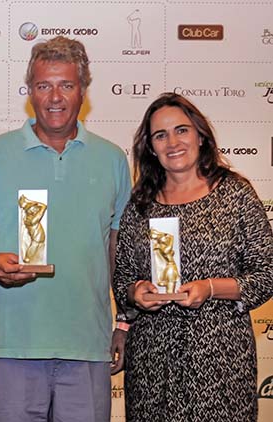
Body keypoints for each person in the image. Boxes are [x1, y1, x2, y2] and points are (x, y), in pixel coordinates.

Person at [0, 36, 132, 421]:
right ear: (30, 92)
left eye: (66, 85)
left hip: (88, 345)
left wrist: (124, 319)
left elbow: (121, 253)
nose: (55, 97)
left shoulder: (112, 159)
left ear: (83, 91)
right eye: (43, 85)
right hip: (16, 345)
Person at [112, 92, 273, 421]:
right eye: (160, 135)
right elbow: (123, 277)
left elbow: (267, 273)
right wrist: (135, 293)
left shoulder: (235, 194)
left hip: (220, 359)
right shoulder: (140, 205)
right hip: (151, 362)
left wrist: (211, 288)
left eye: (181, 130)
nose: (172, 141)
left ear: (200, 135)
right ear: (151, 147)